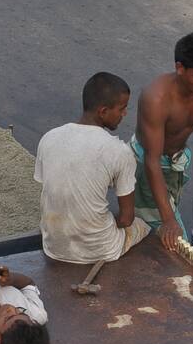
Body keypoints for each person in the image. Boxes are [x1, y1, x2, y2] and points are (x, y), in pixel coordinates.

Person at [35, 72, 150, 263]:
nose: (124, 114)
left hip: (54, 246)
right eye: (122, 109)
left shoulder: (49, 137)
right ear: (103, 111)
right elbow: (126, 219)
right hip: (100, 250)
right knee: (143, 225)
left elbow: (52, 191)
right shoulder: (119, 151)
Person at [133, 32, 193, 250]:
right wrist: (169, 220)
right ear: (180, 68)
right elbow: (152, 161)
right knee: (178, 245)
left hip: (175, 163)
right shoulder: (156, 99)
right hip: (148, 165)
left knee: (155, 232)